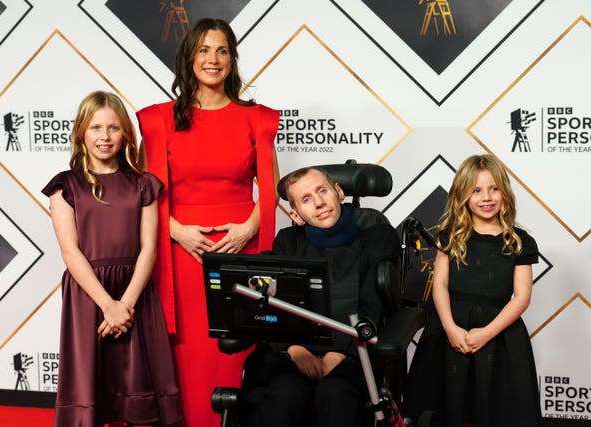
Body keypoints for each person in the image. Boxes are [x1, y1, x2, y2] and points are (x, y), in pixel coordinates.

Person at [136, 18, 280, 427]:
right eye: (203, 50)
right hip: (181, 256)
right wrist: (176, 231)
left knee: (235, 353)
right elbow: (144, 197)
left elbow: (269, 189)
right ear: (188, 59)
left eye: (221, 50)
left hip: (241, 252)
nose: (212, 59)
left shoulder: (258, 119)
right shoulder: (158, 120)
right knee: (189, 355)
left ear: (232, 60)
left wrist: (250, 228)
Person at [42, 91, 181, 427]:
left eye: (113, 128)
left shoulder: (143, 184)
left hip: (135, 293)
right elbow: (70, 252)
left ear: (126, 134)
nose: (104, 137)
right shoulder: (66, 186)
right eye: (95, 128)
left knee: (138, 385)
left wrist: (125, 305)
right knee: (91, 382)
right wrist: (108, 305)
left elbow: (149, 248)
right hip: (89, 296)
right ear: (81, 133)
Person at [249, 167, 400, 427]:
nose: (319, 203)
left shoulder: (378, 236)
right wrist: (293, 350)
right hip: (296, 348)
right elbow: (278, 305)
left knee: (335, 392)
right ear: (296, 215)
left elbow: (372, 305)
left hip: (355, 351)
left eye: (323, 191)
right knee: (285, 391)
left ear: (338, 192)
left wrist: (341, 354)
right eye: (306, 199)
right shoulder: (288, 242)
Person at [404, 154, 541, 426]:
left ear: (505, 192)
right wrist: (450, 328)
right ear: (462, 195)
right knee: (447, 407)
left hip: (500, 336)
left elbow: (522, 297)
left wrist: (487, 333)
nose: (486, 197)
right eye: (476, 190)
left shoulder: (520, 241)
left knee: (497, 411)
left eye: (494, 189)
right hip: (451, 331)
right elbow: (440, 284)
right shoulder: (451, 235)